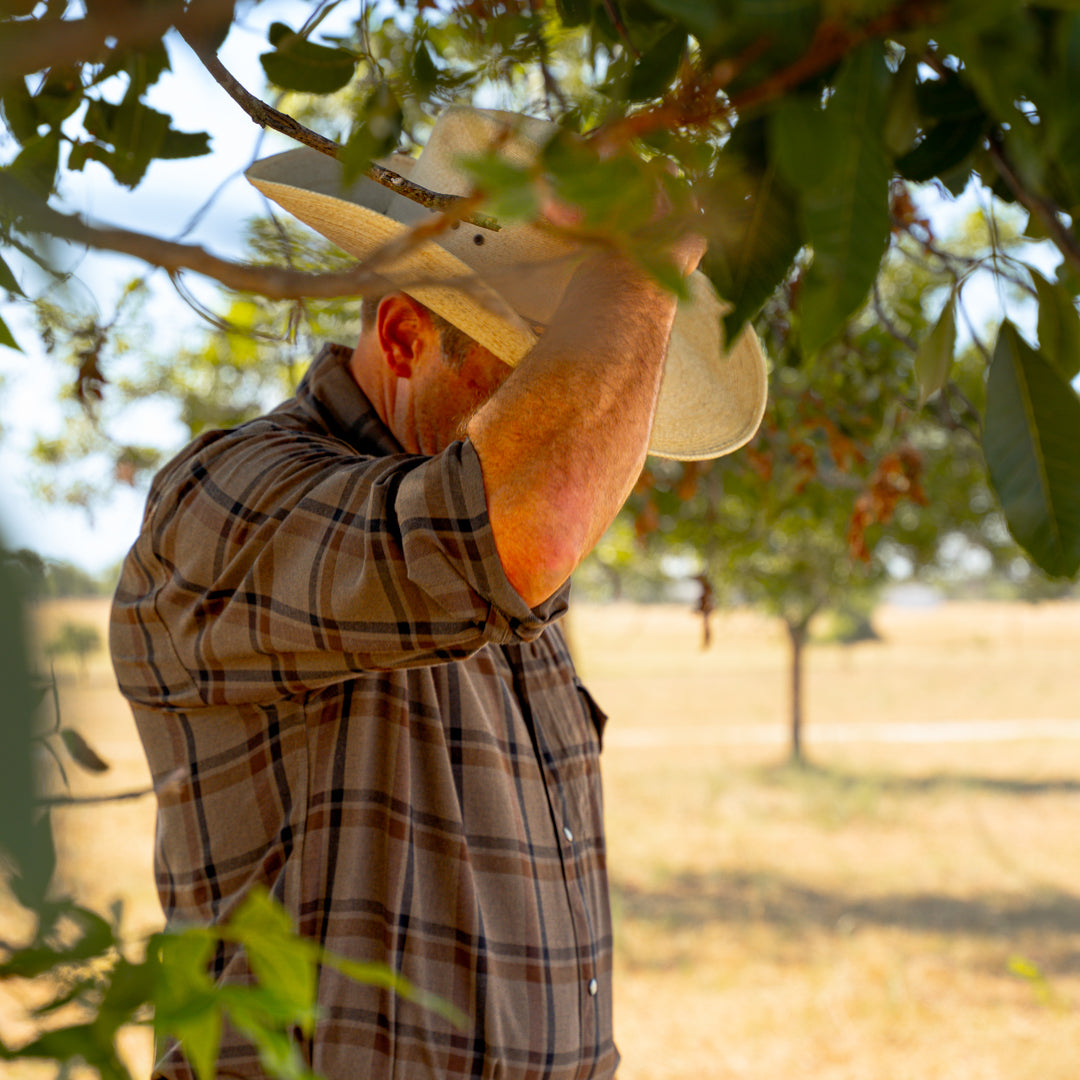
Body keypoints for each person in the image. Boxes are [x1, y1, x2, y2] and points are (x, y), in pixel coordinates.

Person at [110, 107, 767, 1080]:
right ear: (406, 335)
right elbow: (516, 520)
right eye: (537, 383)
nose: (574, 427)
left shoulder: (502, 573)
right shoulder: (227, 503)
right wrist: (644, 254)